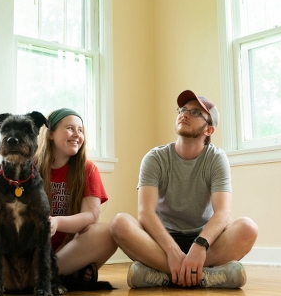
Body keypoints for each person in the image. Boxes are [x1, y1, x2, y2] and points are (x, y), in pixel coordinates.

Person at [110, 90, 259, 289]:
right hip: (162, 240)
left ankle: (161, 275)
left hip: (204, 239)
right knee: (119, 223)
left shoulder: (216, 158)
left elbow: (223, 213)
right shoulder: (155, 158)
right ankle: (206, 276)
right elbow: (145, 213)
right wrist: (171, 250)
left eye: (196, 112)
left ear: (209, 130)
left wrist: (200, 245)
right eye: (183, 109)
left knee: (248, 228)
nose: (185, 114)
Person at [0, 108, 117, 282]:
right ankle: (62, 276)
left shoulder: (88, 169)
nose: (76, 134)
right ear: (50, 134)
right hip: (26, 248)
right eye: (70, 128)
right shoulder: (27, 163)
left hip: (68, 248)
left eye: (80, 130)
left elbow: (91, 215)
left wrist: (57, 221)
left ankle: (48, 273)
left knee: (108, 233)